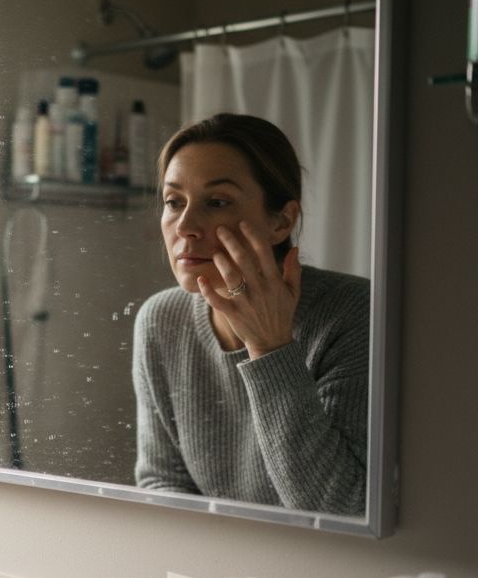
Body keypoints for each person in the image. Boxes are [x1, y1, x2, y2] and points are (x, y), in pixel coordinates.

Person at [131, 113, 369, 515]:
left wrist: (270, 346)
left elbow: (341, 510)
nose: (186, 225)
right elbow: (163, 484)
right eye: (174, 202)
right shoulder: (160, 321)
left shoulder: (351, 312)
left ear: (281, 221)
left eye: (217, 202)